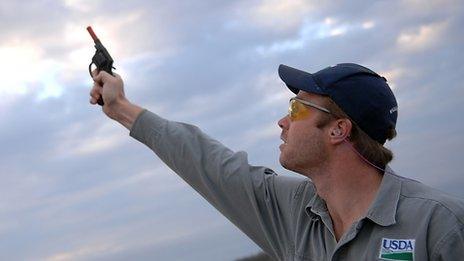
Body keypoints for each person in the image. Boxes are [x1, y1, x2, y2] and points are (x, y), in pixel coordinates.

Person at [89, 63, 464, 260]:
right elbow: (206, 161)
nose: (283, 121)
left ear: (338, 130)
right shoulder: (292, 213)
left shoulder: (440, 225)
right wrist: (121, 108)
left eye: (297, 108)